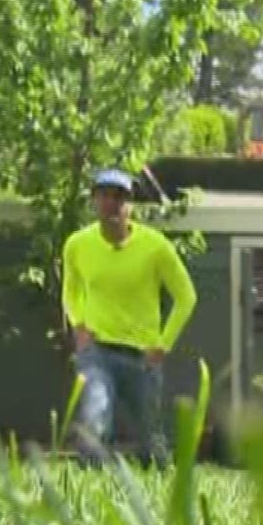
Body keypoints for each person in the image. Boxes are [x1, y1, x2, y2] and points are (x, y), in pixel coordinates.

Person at [60, 167, 198, 465]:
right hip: (97, 353)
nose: (112, 204)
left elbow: (186, 297)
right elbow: (71, 291)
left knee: (151, 441)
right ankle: (89, 491)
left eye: (120, 198)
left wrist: (164, 344)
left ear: (130, 204)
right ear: (94, 200)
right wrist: (78, 325)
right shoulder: (77, 245)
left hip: (142, 357)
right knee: (95, 421)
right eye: (105, 196)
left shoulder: (156, 247)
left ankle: (164, 489)